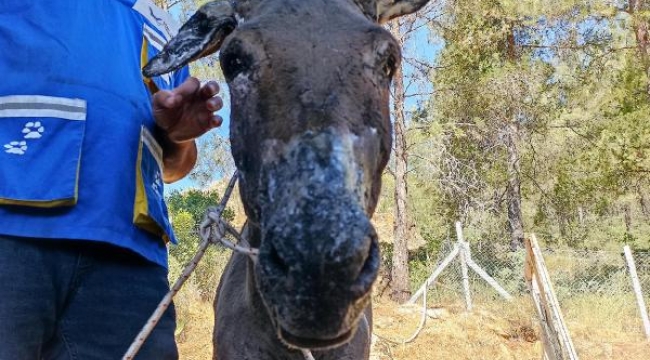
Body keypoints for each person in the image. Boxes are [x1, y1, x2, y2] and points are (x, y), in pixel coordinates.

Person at [0, 1, 222, 358]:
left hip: (131, 263)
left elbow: (177, 166)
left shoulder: (166, 27)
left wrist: (178, 135)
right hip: (11, 236)